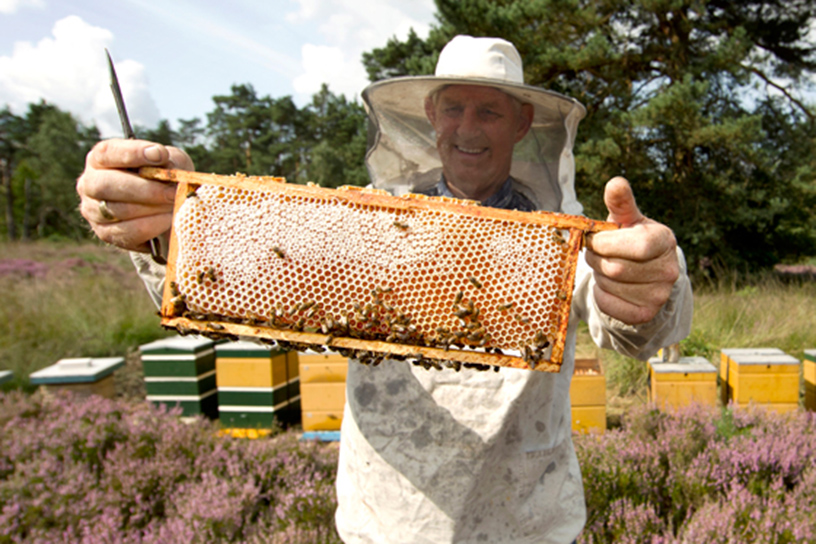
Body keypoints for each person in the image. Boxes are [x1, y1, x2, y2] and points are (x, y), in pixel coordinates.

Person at [77, 35, 692, 543]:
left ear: (523, 122)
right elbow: (249, 284)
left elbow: (635, 321)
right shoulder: (368, 226)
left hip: (525, 525)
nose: (468, 127)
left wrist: (651, 287)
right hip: (389, 521)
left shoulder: (562, 240)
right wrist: (173, 227)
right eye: (454, 108)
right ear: (431, 115)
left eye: (489, 111)